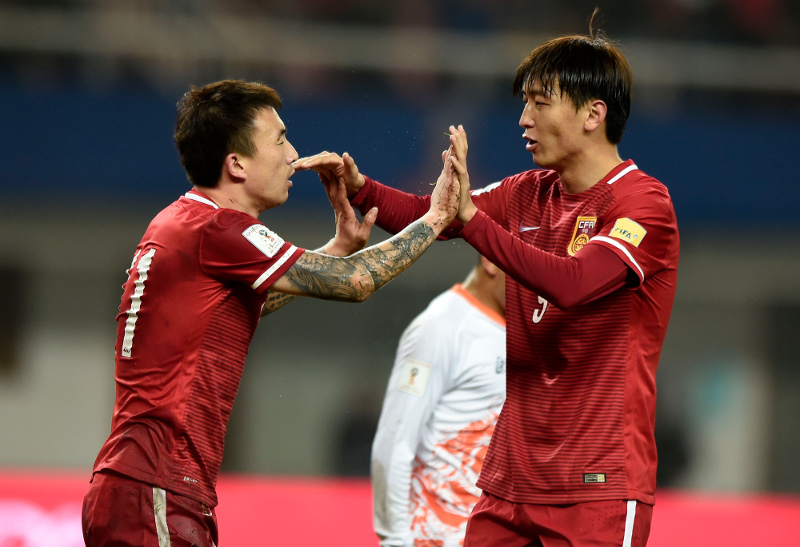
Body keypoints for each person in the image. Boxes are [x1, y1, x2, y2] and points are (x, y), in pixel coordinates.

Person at [299, 15, 679, 547]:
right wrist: (361, 188)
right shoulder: (528, 191)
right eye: (524, 102)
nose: (523, 119)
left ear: (593, 113)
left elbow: (573, 284)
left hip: (596, 484)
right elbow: (433, 214)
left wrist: (473, 220)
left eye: (539, 103)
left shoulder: (644, 203)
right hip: (511, 484)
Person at [81, 79, 461, 547]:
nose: (291, 154)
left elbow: (227, 313)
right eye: (279, 139)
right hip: (157, 488)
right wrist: (438, 218)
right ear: (236, 163)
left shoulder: (182, 223)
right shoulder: (218, 226)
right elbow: (356, 282)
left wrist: (335, 248)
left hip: (142, 487)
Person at [371, 255, 506, 546]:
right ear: (492, 260)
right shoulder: (441, 327)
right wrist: (394, 540)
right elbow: (394, 442)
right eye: (524, 263)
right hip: (437, 537)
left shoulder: (527, 332)